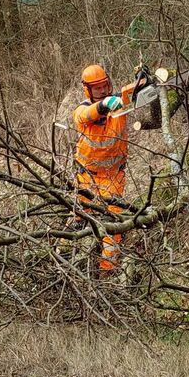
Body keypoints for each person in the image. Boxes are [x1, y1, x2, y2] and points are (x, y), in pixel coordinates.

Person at [71, 63, 149, 277]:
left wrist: (142, 80)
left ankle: (107, 271)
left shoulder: (119, 102)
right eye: (97, 88)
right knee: (77, 220)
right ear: (88, 90)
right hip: (86, 177)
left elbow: (132, 90)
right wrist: (104, 105)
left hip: (114, 177)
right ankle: (69, 262)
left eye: (105, 86)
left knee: (112, 227)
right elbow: (85, 114)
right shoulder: (82, 110)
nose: (103, 90)